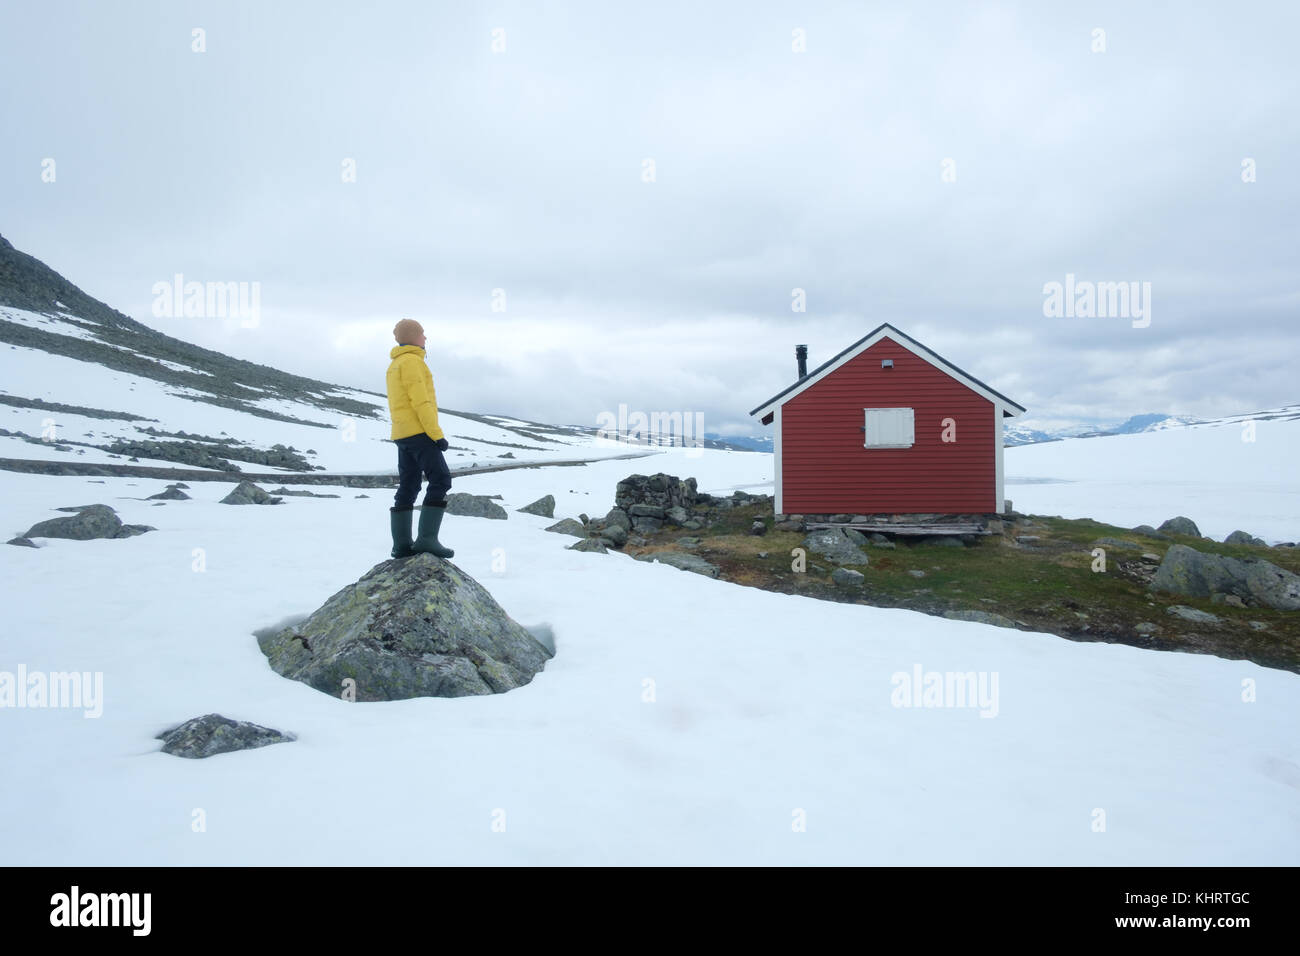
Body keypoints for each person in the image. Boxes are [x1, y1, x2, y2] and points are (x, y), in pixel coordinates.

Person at [386, 318, 454, 559]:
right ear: (413, 336)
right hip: (419, 432)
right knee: (441, 479)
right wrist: (437, 435)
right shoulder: (413, 363)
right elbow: (421, 402)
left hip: (402, 434)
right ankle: (427, 539)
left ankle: (402, 545)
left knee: (410, 485)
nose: (425, 338)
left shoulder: (395, 364)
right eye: (422, 333)